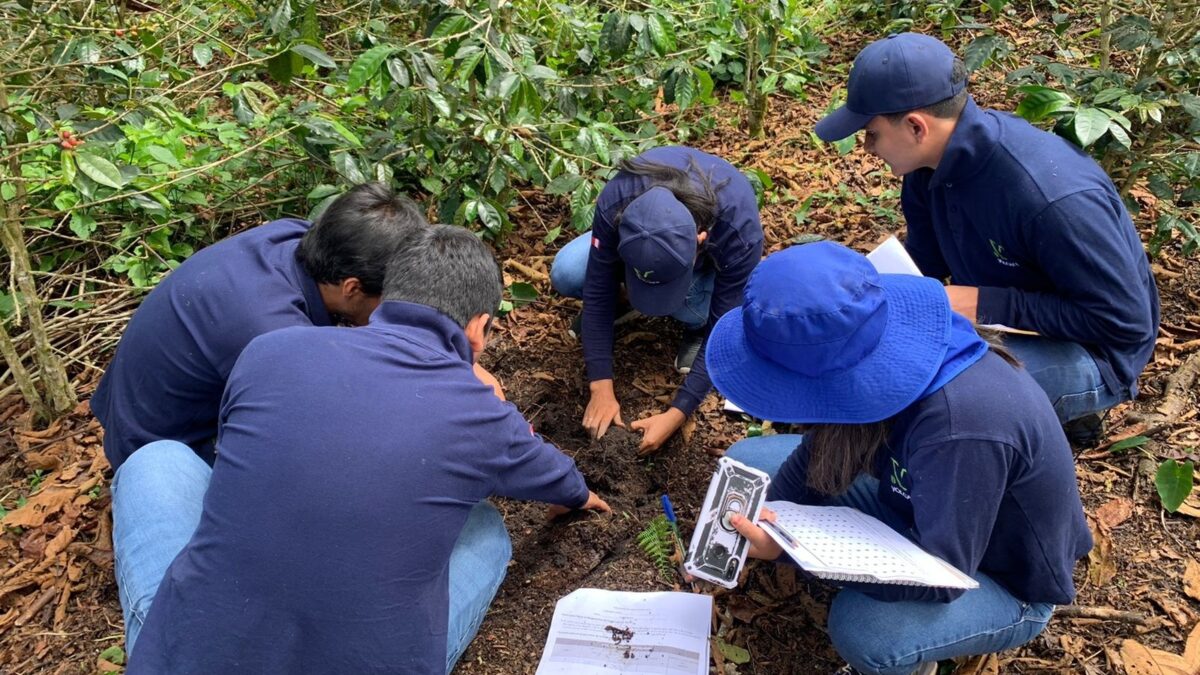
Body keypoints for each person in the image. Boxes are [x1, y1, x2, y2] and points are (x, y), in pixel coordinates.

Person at [112, 224, 611, 673]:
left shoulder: (271, 351)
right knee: (484, 526)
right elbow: (559, 479)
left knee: (156, 459)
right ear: (478, 329)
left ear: (384, 295)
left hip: (197, 658)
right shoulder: (482, 415)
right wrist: (581, 497)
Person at [703, 242, 1093, 675]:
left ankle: (916, 655)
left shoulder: (961, 429)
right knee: (751, 467)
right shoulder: (875, 344)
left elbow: (942, 575)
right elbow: (825, 446)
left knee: (865, 629)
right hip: (913, 496)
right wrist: (771, 512)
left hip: (994, 573)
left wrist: (787, 551)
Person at [814, 32, 1159, 436]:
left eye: (870, 134)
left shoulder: (1049, 196)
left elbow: (1124, 323)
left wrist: (984, 304)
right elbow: (924, 261)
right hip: (1000, 322)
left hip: (1096, 352)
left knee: (929, 400)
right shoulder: (927, 170)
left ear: (915, 126)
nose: (867, 147)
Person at [92, 183, 506, 472]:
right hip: (164, 449)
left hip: (155, 402)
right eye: (398, 294)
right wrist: (453, 381)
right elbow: (349, 416)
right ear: (352, 287)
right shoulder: (271, 334)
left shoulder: (294, 239)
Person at [549, 146, 764, 452]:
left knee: (696, 311)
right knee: (568, 272)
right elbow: (597, 288)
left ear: (699, 240)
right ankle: (626, 300)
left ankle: (690, 322)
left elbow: (724, 328)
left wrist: (678, 412)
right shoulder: (617, 200)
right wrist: (600, 386)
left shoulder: (738, 229)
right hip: (645, 243)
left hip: (709, 271)